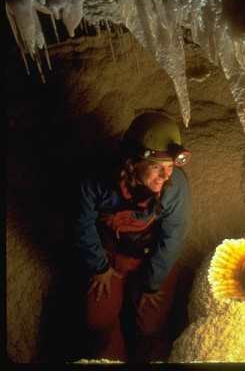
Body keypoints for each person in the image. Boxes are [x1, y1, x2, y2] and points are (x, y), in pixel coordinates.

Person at [74, 111, 192, 361]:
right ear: (132, 162)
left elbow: (173, 236)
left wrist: (153, 282)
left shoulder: (175, 187)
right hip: (111, 255)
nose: (165, 176)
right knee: (98, 320)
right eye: (156, 167)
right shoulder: (99, 182)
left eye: (170, 167)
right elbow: (81, 224)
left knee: (151, 323)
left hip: (150, 255)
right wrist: (99, 267)